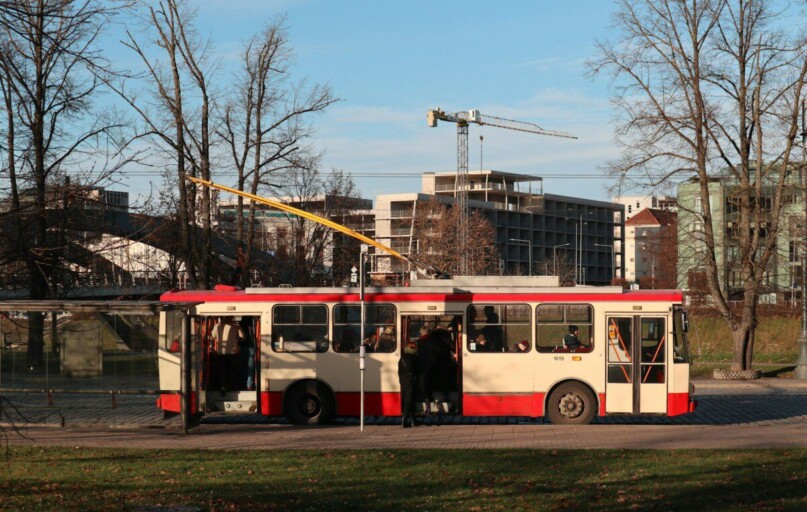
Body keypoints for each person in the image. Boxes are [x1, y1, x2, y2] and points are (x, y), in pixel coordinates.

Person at [398, 341, 421, 428]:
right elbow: (419, 371)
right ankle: (404, 420)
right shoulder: (414, 358)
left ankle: (413, 420)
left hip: (403, 381)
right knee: (410, 400)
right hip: (411, 381)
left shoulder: (402, 358)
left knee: (409, 400)